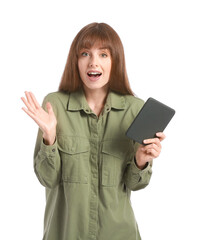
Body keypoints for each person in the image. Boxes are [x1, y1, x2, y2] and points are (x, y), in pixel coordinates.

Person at [21, 22, 165, 240]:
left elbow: (136, 184)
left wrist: (140, 160)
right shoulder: (54, 105)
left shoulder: (135, 109)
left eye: (104, 54)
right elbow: (47, 179)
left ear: (115, 61)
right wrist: (49, 137)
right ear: (75, 61)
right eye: (85, 53)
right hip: (65, 234)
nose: (93, 62)